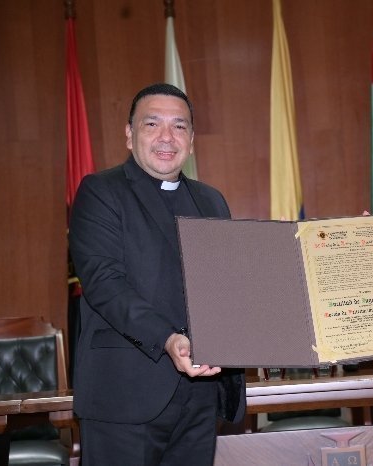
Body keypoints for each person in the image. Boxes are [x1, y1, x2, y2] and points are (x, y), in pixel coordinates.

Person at [69, 83, 245, 465]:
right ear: (130, 135)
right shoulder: (101, 191)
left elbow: (228, 289)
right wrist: (167, 339)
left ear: (193, 140)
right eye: (153, 124)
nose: (167, 137)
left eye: (179, 126)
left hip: (200, 396)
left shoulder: (211, 200)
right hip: (124, 398)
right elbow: (104, 284)